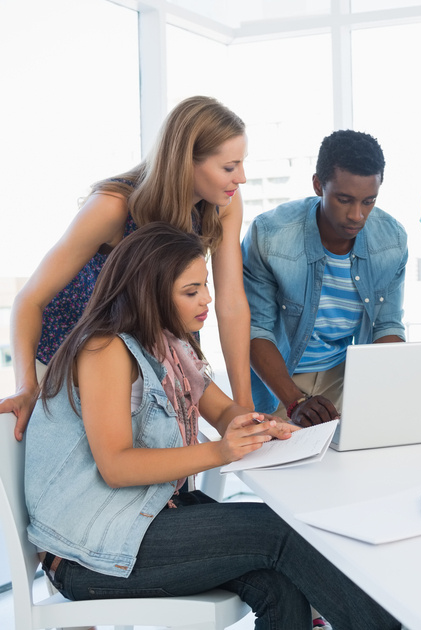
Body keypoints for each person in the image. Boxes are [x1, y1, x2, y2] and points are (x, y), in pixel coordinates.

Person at [24, 222, 400, 629]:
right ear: (148, 293)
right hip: (89, 553)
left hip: (145, 521)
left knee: (278, 580)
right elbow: (115, 466)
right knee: (277, 531)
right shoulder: (105, 349)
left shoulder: (171, 345)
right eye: (191, 292)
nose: (206, 300)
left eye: (204, 285)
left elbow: (222, 412)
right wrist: (222, 451)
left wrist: (263, 426)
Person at [2, 95, 253, 441]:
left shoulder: (223, 203)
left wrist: (243, 406)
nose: (241, 177)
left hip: (154, 355)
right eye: (229, 167)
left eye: (241, 163)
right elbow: (29, 300)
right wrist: (26, 385)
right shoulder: (113, 207)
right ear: (186, 163)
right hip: (79, 358)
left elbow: (231, 304)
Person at [243, 130, 407, 425]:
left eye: (369, 201)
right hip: (280, 380)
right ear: (319, 185)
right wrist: (295, 401)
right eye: (344, 200)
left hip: (345, 378)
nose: (357, 215)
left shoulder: (392, 240)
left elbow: (387, 325)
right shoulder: (269, 236)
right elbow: (256, 331)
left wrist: (381, 392)